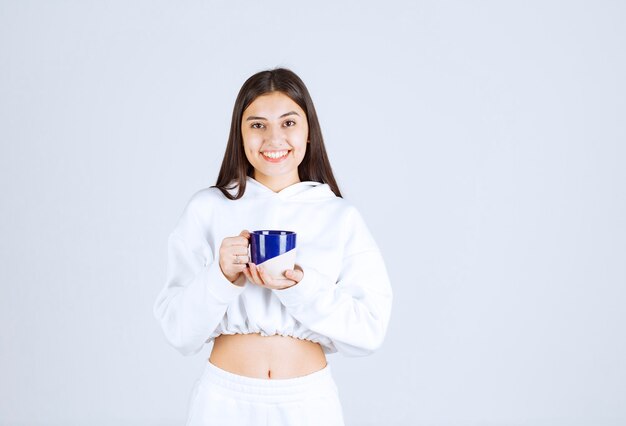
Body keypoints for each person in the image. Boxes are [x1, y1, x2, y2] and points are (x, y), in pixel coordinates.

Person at [153, 67, 393, 426]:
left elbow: (369, 332)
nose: (274, 138)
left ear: (309, 131)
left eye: (289, 123)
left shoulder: (340, 216)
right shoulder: (208, 208)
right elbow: (178, 332)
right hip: (223, 402)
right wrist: (220, 276)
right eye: (257, 125)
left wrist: (302, 286)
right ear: (240, 133)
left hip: (308, 404)